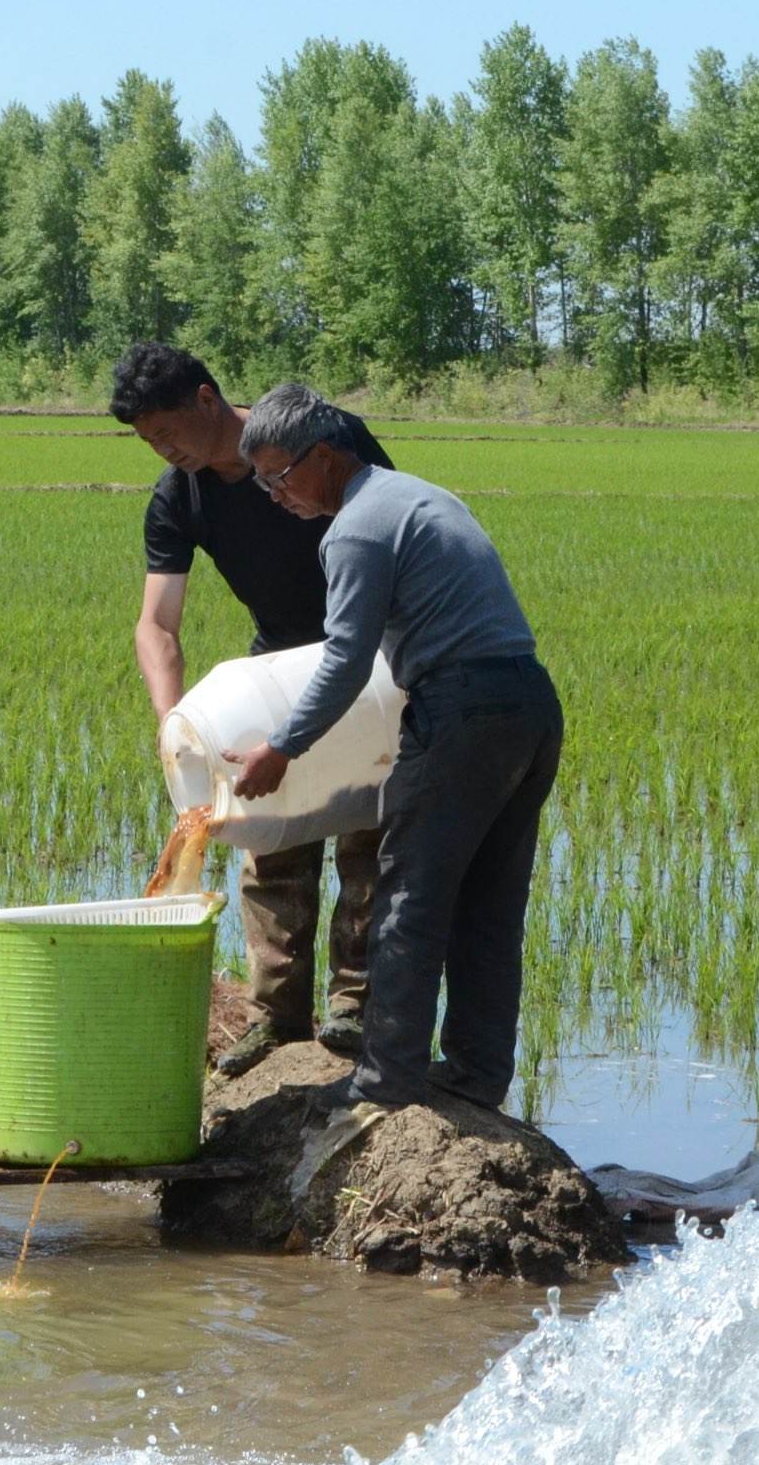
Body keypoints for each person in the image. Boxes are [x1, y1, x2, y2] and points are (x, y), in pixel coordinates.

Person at [223, 382, 562, 1114]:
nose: (275, 497)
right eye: (263, 484)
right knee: (489, 905)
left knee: (407, 898)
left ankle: (386, 1080)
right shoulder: (418, 495)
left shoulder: (354, 529)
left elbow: (346, 660)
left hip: (462, 711)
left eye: (280, 477)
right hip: (530, 705)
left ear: (324, 456)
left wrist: (281, 748)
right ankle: (475, 1074)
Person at [112, 344, 393, 1076]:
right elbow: (157, 625)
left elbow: (391, 530)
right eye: (147, 441)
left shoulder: (317, 435)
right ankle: (276, 1018)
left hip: (364, 656)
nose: (163, 449)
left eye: (167, 430)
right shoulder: (179, 497)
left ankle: (354, 1011)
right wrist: (172, 721)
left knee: (367, 830)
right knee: (266, 840)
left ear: (207, 399)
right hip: (276, 668)